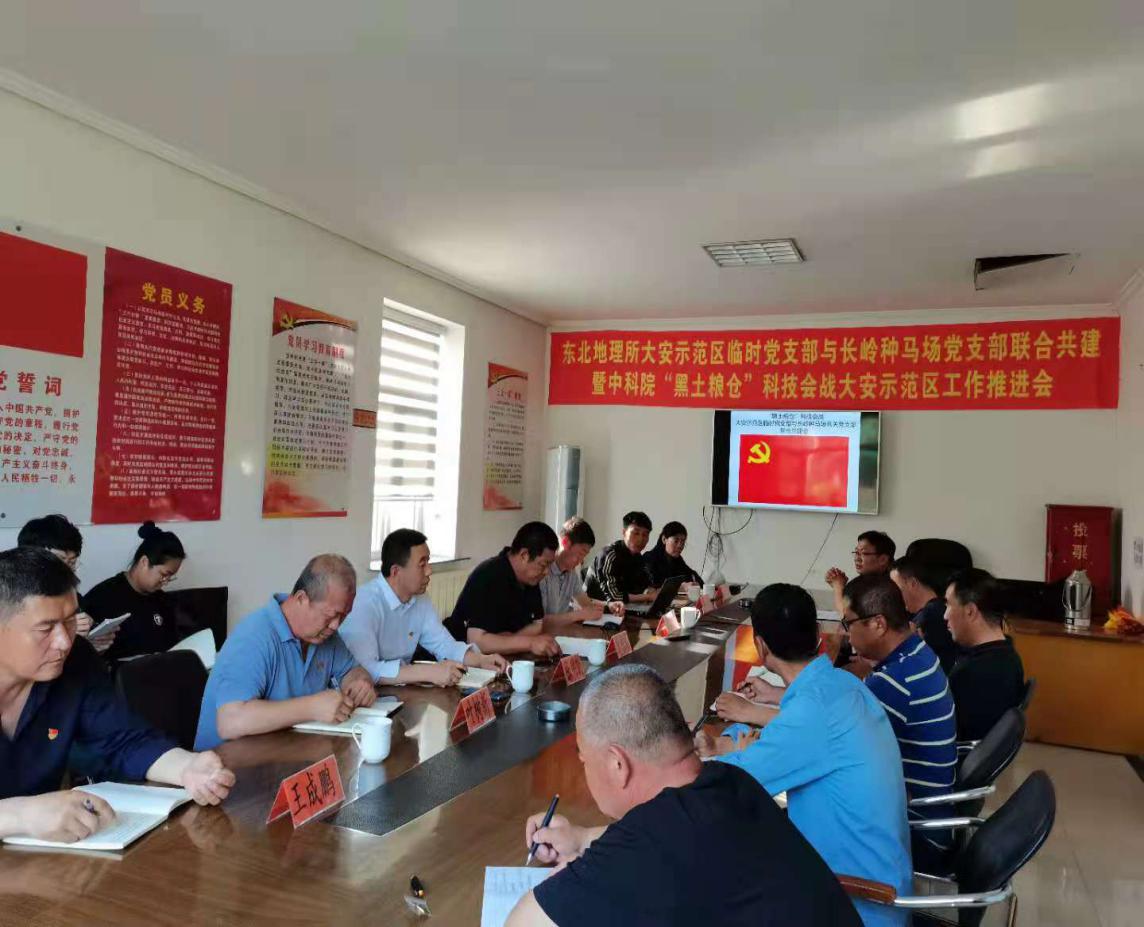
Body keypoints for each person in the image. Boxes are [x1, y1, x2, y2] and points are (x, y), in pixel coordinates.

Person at [506, 664, 861, 927]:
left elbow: (522, 921)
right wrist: (583, 838)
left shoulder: (649, 845)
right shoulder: (730, 781)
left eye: (584, 758)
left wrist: (584, 871)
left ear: (617, 764)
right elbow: (671, 840)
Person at [697, 583, 911, 927]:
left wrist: (700, 756)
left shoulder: (813, 712)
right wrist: (727, 746)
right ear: (817, 634)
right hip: (874, 877)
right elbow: (793, 737)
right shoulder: (841, 684)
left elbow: (727, 785)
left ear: (760, 646)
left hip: (857, 903)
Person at [0, 548, 234, 843]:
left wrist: (186, 767)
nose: (64, 642)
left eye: (70, 621)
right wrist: (20, 815)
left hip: (41, 852)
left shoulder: (75, 661)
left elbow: (121, 739)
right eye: (46, 628)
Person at [194, 554, 377, 751]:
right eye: (331, 615)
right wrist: (311, 707)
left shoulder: (325, 635)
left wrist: (360, 683)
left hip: (288, 752)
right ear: (301, 599)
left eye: (343, 616)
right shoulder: (254, 636)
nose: (335, 625)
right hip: (227, 761)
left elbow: (352, 670)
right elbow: (230, 722)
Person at [842, 574, 958, 873]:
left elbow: (832, 742)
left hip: (913, 831)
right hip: (929, 813)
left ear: (878, 624)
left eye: (848, 623)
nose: (846, 634)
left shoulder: (894, 681)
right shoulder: (916, 651)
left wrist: (756, 713)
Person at [339, 529, 507, 686]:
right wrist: (427, 672)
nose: (429, 571)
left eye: (428, 562)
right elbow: (364, 669)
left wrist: (480, 660)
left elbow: (443, 644)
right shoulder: (363, 604)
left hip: (400, 690)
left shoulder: (420, 599)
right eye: (422, 564)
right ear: (396, 571)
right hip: (365, 695)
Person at [445, 522, 562, 658]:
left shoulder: (531, 578)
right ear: (524, 555)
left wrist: (506, 641)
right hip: (463, 659)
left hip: (503, 658)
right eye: (543, 564)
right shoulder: (489, 575)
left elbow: (537, 625)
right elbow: (477, 642)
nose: (547, 572)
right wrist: (528, 642)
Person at [83, 521, 185, 662]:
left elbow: (172, 645)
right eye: (164, 574)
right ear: (144, 562)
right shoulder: (103, 597)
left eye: (170, 577)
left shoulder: (163, 601)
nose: (166, 582)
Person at [944, 569, 1026, 742]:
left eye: (949, 605)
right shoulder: (1008, 654)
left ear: (970, 611)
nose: (945, 615)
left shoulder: (971, 673)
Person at [17, 514, 116, 654]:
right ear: (30, 557)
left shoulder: (73, 597)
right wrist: (65, 632)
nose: (67, 570)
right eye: (60, 560)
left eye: (72, 562)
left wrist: (91, 646)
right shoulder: (10, 597)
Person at [539, 517, 624, 630]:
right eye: (581, 553)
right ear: (565, 542)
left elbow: (585, 602)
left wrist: (609, 605)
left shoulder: (571, 573)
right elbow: (539, 622)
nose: (582, 561)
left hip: (561, 633)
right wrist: (579, 615)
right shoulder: (541, 571)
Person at [890, 556, 959, 673]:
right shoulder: (938, 609)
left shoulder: (930, 615)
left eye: (896, 589)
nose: (894, 596)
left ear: (913, 583)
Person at [585, 511, 658, 604]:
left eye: (645, 535)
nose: (640, 539)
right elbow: (614, 597)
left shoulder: (638, 556)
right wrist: (647, 597)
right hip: (596, 607)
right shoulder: (609, 555)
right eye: (636, 533)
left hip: (625, 607)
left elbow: (646, 583)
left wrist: (651, 590)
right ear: (624, 532)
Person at [825, 530, 896, 616]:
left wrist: (838, 586)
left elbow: (846, 616)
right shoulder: (863, 582)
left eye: (863, 553)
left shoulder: (888, 586)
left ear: (883, 559)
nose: (857, 558)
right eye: (856, 552)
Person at [642, 520, 703, 588]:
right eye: (676, 541)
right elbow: (652, 585)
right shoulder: (649, 558)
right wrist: (680, 587)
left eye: (683, 542)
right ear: (664, 539)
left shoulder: (678, 560)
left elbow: (693, 576)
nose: (680, 546)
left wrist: (695, 584)